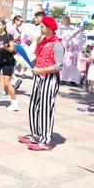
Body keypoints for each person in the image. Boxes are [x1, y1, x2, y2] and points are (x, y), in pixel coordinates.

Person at [19, 16, 64, 151]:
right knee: (33, 106)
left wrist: (41, 70)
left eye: (43, 26)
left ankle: (45, 141)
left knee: (45, 109)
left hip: (49, 79)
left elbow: (58, 66)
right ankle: (36, 135)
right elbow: (39, 58)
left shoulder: (57, 44)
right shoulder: (44, 42)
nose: (40, 28)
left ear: (50, 28)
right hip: (39, 77)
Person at [56, 16, 83, 85]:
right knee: (63, 66)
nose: (67, 21)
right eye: (65, 20)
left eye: (68, 20)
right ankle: (62, 79)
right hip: (63, 50)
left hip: (72, 50)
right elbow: (59, 37)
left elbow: (77, 36)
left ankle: (72, 80)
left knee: (73, 66)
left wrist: (80, 30)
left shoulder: (73, 28)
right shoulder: (60, 29)